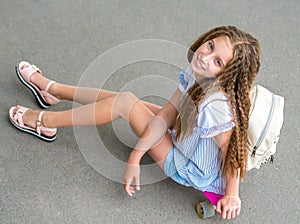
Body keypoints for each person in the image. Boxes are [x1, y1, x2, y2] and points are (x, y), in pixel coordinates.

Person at [9, 25, 261, 220]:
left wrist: (232, 195)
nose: (206, 57)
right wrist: (136, 155)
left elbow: (231, 151)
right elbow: (165, 116)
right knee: (125, 101)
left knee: (126, 103)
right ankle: (55, 92)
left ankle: (45, 121)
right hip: (185, 132)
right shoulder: (198, 73)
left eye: (218, 62)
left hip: (188, 164)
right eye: (210, 46)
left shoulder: (215, 107)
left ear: (226, 75)